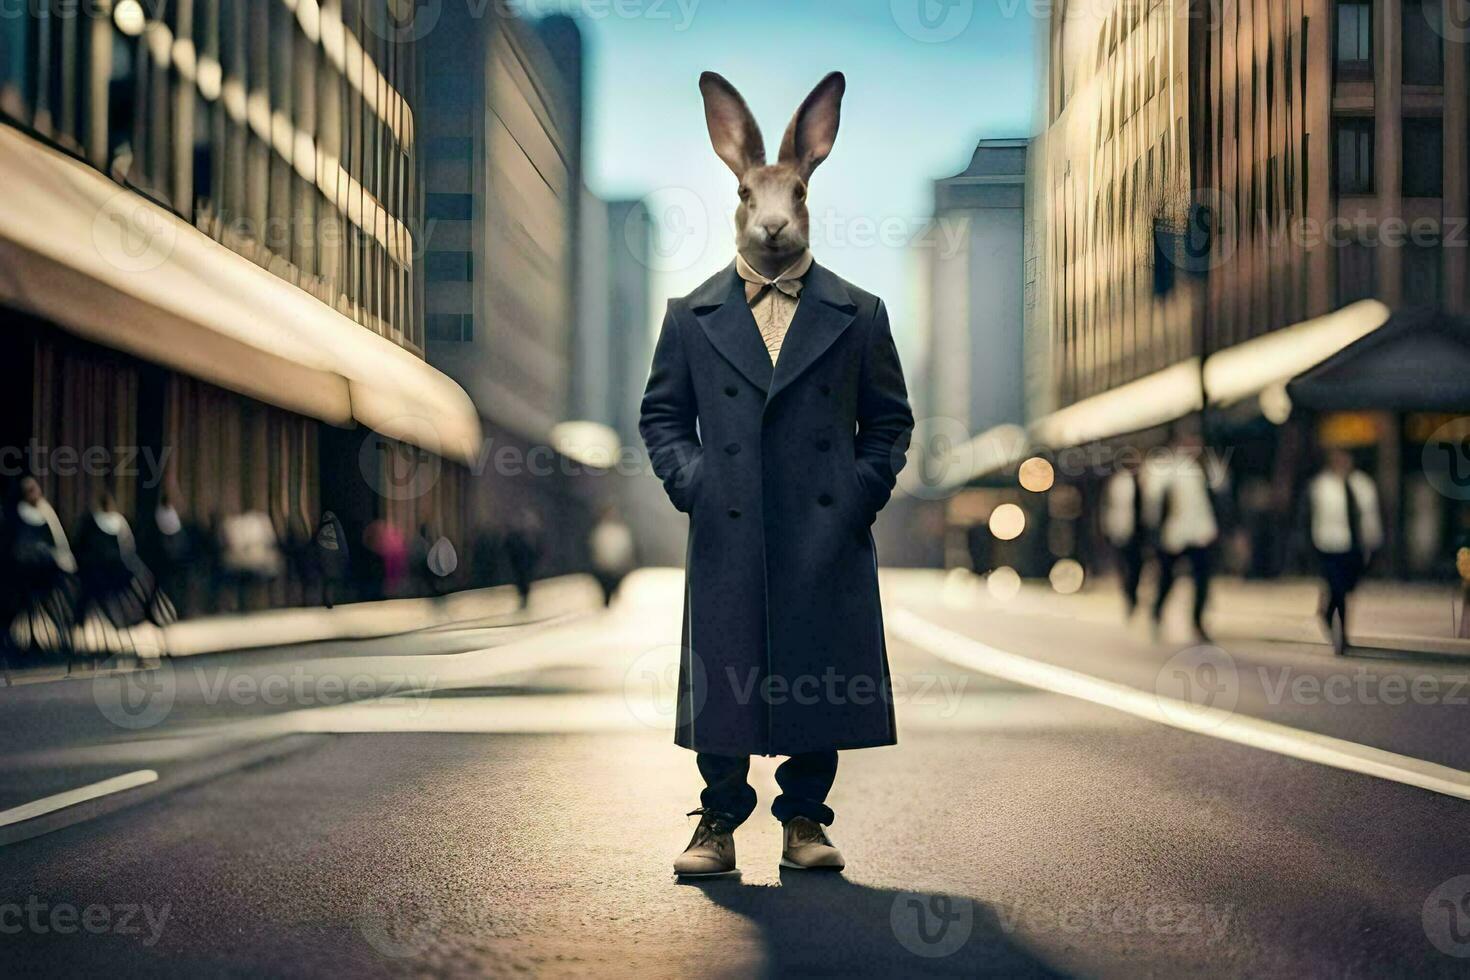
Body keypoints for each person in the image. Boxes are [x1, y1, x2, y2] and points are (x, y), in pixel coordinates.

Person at [641, 72, 913, 878]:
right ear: (737, 197)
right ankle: (718, 819)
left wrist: (859, 495)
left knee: (815, 667)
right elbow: (662, 417)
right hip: (728, 524)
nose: (771, 216)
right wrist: (693, 481)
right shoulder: (690, 316)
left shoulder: (858, 314)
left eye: (788, 196)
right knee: (726, 670)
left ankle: (804, 819)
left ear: (805, 196)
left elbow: (890, 421)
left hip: (821, 525)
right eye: (757, 198)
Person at [1147, 428, 1222, 643]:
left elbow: (1219, 494)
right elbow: (1154, 501)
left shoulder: (1206, 467)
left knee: (1202, 581)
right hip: (1175, 533)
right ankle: (1157, 612)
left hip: (1201, 532)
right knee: (1168, 578)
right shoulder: (1167, 469)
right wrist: (1156, 534)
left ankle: (1197, 622)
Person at [1305, 449, 1383, 655]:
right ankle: (1340, 635)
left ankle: (1329, 616)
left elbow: (1370, 516)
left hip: (1353, 546)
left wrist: (1372, 543)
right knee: (1337, 590)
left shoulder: (1362, 484)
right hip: (1328, 546)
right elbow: (1307, 516)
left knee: (1345, 590)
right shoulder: (1321, 485)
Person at [1102, 457, 1147, 618]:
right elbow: (1111, 507)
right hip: (1121, 531)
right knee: (1125, 566)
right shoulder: (1118, 483)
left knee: (1135, 567)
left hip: (1137, 533)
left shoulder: (1140, 481)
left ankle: (1132, 594)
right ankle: (1129, 594)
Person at [588, 505, 636, 606]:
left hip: (616, 568)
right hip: (604, 568)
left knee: (613, 585)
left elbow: (625, 549)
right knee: (606, 586)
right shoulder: (601, 531)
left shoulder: (618, 531)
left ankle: (611, 600)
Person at [503, 508, 543, 610]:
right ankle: (523, 596)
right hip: (519, 561)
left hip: (525, 561)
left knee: (524, 579)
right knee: (521, 578)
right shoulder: (517, 534)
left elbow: (536, 547)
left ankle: (524, 596)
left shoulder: (529, 533)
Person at [312, 510, 350, 609]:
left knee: (327, 582)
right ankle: (333, 600)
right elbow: (342, 545)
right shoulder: (337, 529)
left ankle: (328, 601)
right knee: (332, 582)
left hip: (326, 561)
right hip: (334, 561)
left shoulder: (321, 530)